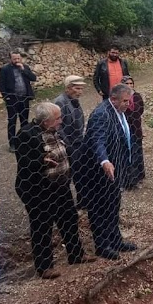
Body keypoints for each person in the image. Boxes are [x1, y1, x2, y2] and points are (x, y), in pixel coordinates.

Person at [14, 102, 95, 279]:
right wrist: (42, 161)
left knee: (69, 219)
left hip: (60, 185)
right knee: (42, 226)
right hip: (38, 190)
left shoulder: (55, 131)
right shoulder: (26, 134)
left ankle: (76, 255)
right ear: (45, 121)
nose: (61, 120)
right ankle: (44, 266)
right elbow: (25, 163)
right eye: (57, 118)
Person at [81, 83, 137, 260]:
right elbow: (97, 140)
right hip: (100, 173)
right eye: (125, 101)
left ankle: (115, 239)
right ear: (113, 99)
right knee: (100, 208)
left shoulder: (118, 111)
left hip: (115, 170)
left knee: (113, 206)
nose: (128, 104)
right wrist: (104, 160)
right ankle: (102, 245)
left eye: (129, 100)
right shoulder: (101, 114)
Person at [54, 75, 88, 207]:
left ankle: (82, 201)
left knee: (80, 173)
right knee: (67, 176)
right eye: (77, 88)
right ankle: (64, 204)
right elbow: (58, 127)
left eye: (81, 89)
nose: (79, 91)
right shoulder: (60, 102)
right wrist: (68, 145)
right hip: (68, 145)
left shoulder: (74, 100)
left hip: (78, 143)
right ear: (68, 88)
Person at [0, 52, 37, 152]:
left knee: (24, 121)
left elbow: (33, 78)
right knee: (12, 122)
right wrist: (6, 97)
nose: (17, 61)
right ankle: (12, 144)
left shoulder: (25, 67)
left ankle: (24, 142)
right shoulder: (5, 69)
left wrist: (24, 70)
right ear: (10, 59)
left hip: (24, 98)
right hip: (12, 99)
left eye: (18, 58)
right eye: (14, 59)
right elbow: (1, 85)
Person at [122, 76, 145, 189]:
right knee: (129, 154)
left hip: (136, 128)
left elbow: (141, 110)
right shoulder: (121, 98)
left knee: (137, 153)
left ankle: (139, 176)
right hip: (126, 130)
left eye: (131, 83)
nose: (130, 86)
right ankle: (131, 179)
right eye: (127, 83)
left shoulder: (137, 97)